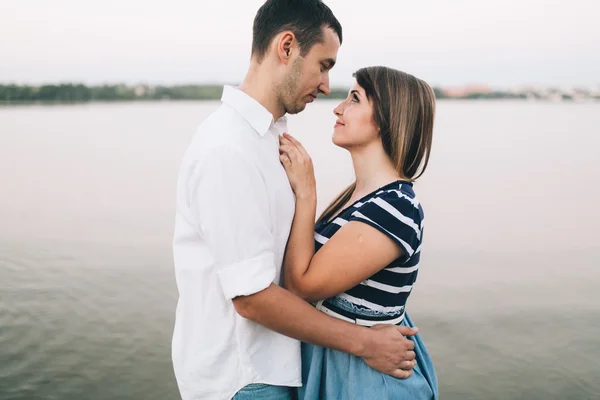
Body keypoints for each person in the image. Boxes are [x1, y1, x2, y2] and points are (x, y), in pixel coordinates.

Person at [171, 1, 418, 399]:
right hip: (245, 378)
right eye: (324, 65)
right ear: (286, 47)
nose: (326, 86)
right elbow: (251, 299)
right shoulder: (228, 149)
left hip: (278, 369)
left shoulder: (269, 141)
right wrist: (366, 343)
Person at [278, 66, 439, 399]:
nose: (338, 108)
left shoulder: (396, 208)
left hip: (368, 382)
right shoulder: (361, 198)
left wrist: (307, 193)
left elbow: (301, 286)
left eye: (355, 99)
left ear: (385, 118)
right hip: (345, 368)